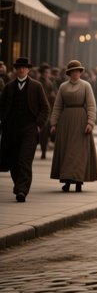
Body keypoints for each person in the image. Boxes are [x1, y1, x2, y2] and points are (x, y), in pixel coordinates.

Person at [0, 57, 51, 202]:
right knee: (13, 161)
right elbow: (2, 107)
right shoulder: (9, 87)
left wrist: (38, 125)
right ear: (16, 70)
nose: (22, 70)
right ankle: (18, 184)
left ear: (28, 70)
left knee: (24, 160)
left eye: (24, 67)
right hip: (11, 130)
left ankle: (22, 190)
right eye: (19, 67)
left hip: (30, 129)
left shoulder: (36, 86)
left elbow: (45, 107)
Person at [49, 60, 97, 192]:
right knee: (66, 151)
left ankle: (78, 181)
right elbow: (57, 106)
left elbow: (91, 105)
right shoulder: (63, 87)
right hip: (66, 122)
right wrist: (53, 123)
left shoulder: (86, 86)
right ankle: (67, 181)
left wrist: (90, 122)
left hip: (81, 121)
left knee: (78, 152)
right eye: (73, 71)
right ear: (69, 73)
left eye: (78, 71)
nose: (76, 73)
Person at [37, 63, 57, 160]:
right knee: (42, 132)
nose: (46, 74)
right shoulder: (38, 83)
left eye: (47, 72)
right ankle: (43, 149)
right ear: (42, 73)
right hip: (40, 110)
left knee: (46, 132)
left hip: (49, 109)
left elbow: (54, 94)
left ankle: (44, 150)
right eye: (45, 72)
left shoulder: (50, 83)